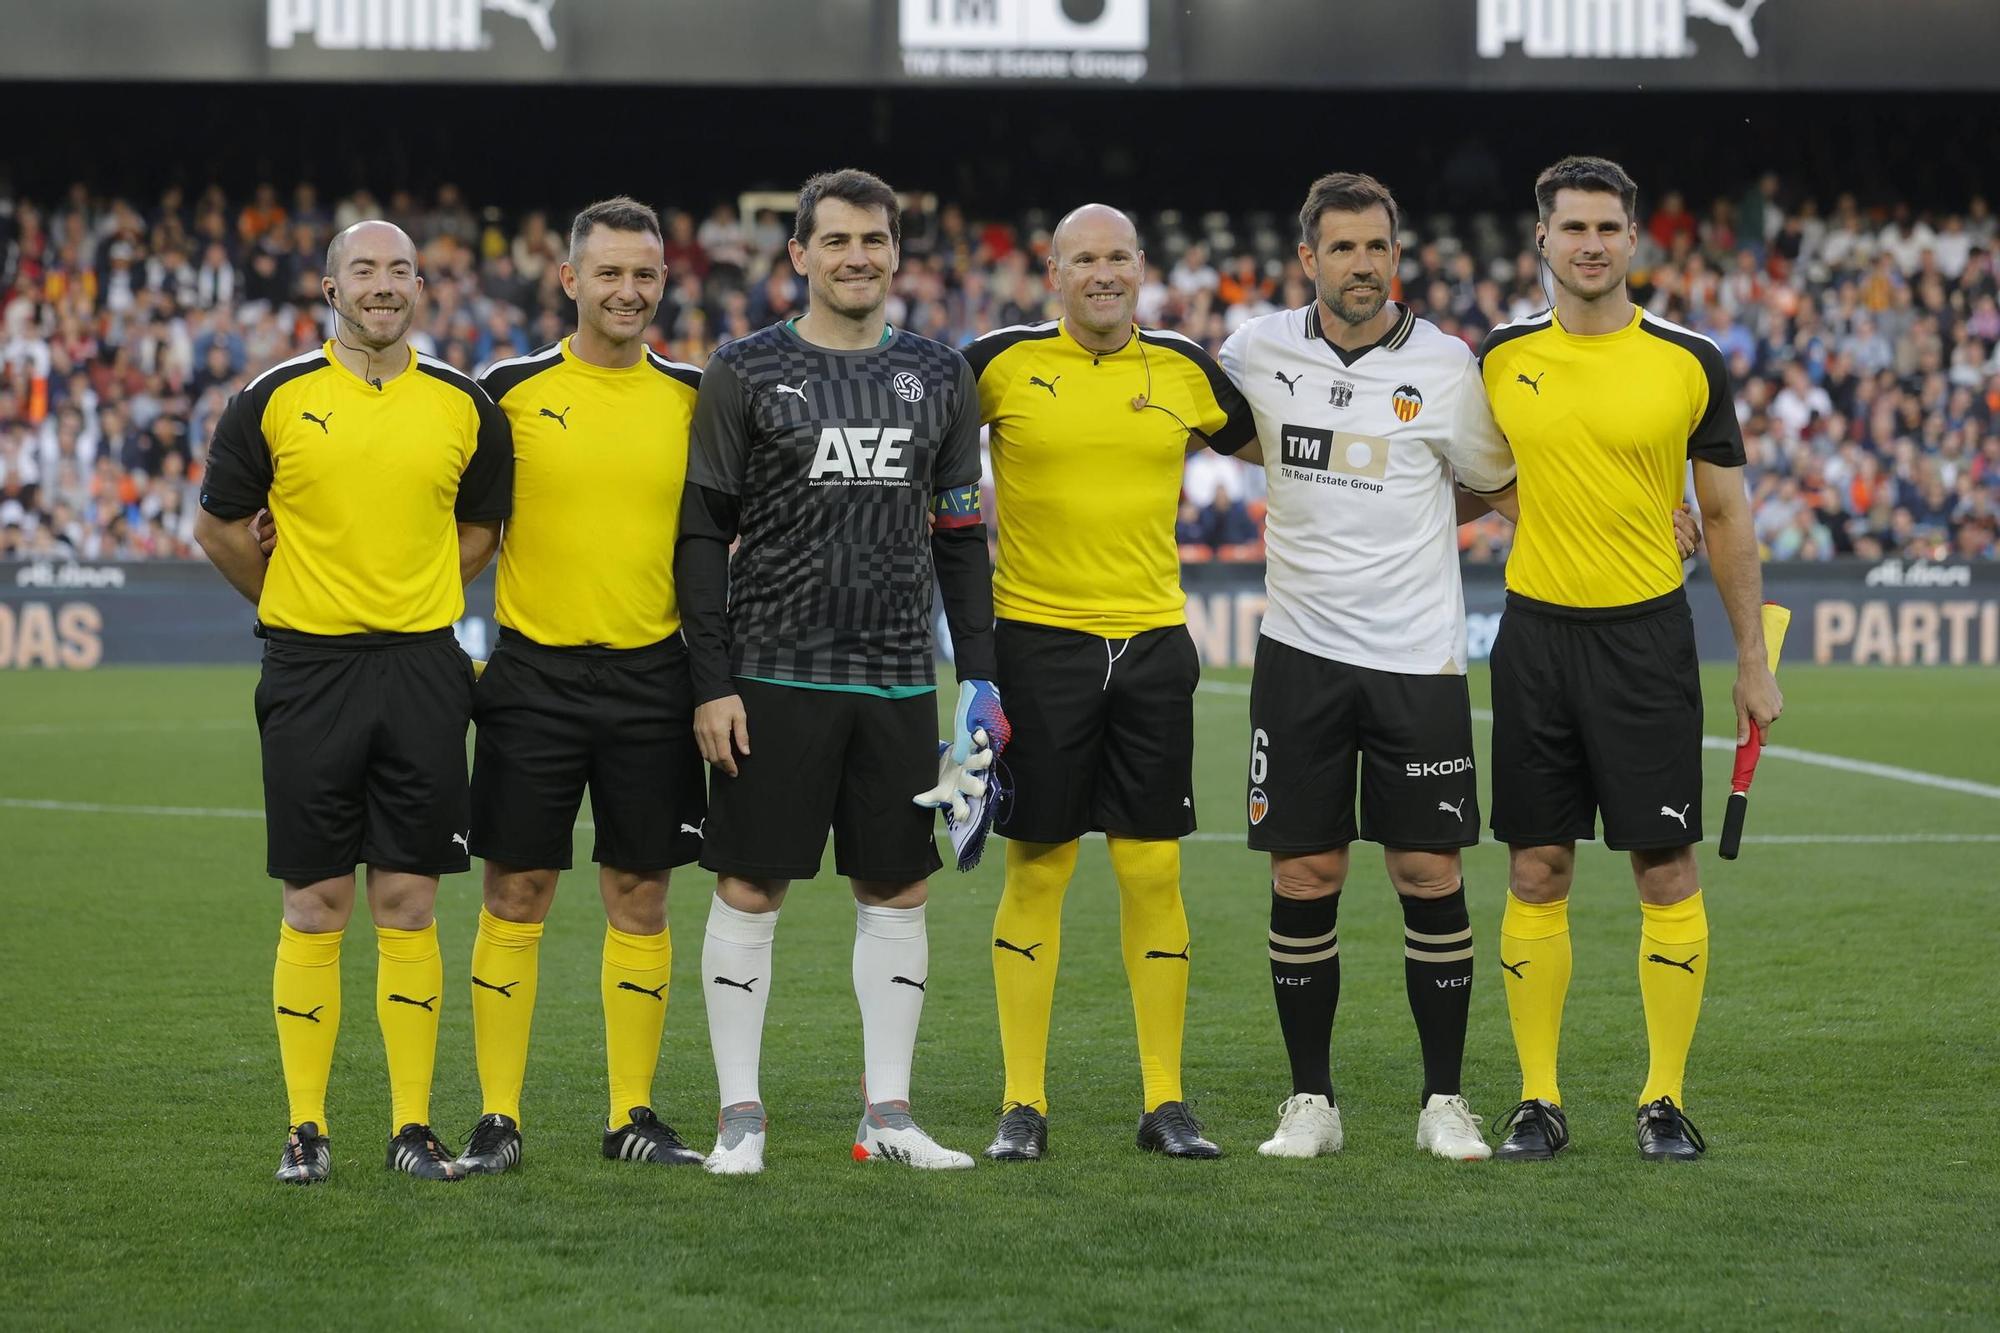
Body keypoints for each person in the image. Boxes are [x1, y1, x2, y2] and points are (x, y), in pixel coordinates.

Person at [672, 169, 1006, 1175]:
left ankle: (887, 1115)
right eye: (838, 240)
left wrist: (978, 683)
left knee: (897, 887)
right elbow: (699, 534)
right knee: (748, 884)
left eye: (874, 239)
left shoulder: (941, 375)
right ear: (799, 256)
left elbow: (957, 536)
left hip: (899, 677)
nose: (857, 255)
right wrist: (711, 678)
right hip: (772, 674)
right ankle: (740, 1116)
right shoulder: (744, 369)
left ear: (895, 254)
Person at [193, 220, 512, 1184]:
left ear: (423, 286)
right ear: (329, 287)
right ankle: (306, 1127)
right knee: (318, 897)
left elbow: (479, 534)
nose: (383, 284)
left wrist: (400, 591)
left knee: (410, 900)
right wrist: (299, 601)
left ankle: (411, 1127)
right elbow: (217, 530)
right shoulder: (273, 397)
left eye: (400, 270)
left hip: (422, 669)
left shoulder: (465, 405)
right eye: (363, 270)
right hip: (309, 670)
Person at [1478, 156, 1782, 1163]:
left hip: (1647, 639)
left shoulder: (1689, 359)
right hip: (1533, 637)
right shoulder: (1497, 357)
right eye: (1572, 228)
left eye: (1607, 227)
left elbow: (1729, 514)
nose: (1591, 244)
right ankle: (1536, 1099)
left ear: (1633, 240)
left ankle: (1660, 1098)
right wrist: (1567, 508)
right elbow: (1474, 477)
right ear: (1542, 241)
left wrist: (1750, 658)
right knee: (1536, 864)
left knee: (1662, 866)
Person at [1219, 173, 1520, 1163]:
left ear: (1396, 255)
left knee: (1427, 868)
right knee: (1304, 873)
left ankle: (1443, 1099)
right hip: (1297, 655)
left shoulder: (1443, 364)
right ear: (1307, 258)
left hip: (1415, 661)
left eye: (1375, 248)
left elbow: (1494, 481)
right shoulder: (1253, 350)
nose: (1360, 265)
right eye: (1340, 248)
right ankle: (1310, 1100)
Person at [960, 203, 1256, 1162]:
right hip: (1039, 646)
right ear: (1051, 273)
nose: (1102, 272)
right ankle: (1022, 1104)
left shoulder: (1184, 367)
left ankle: (1165, 1102)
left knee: (1153, 867)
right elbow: (914, 453)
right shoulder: (996, 363)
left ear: (1141, 269)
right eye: (1082, 258)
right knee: (1038, 866)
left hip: (1153, 644)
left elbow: (1285, 456)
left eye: (1118, 257)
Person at [451, 197, 709, 1175]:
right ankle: (498, 1118)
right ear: (569, 280)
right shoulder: (504, 389)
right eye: (609, 272)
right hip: (533, 674)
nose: (628, 290)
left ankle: (631, 1115)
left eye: (644, 274)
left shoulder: (691, 394)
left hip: (655, 676)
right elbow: (448, 515)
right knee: (515, 889)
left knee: (639, 893)